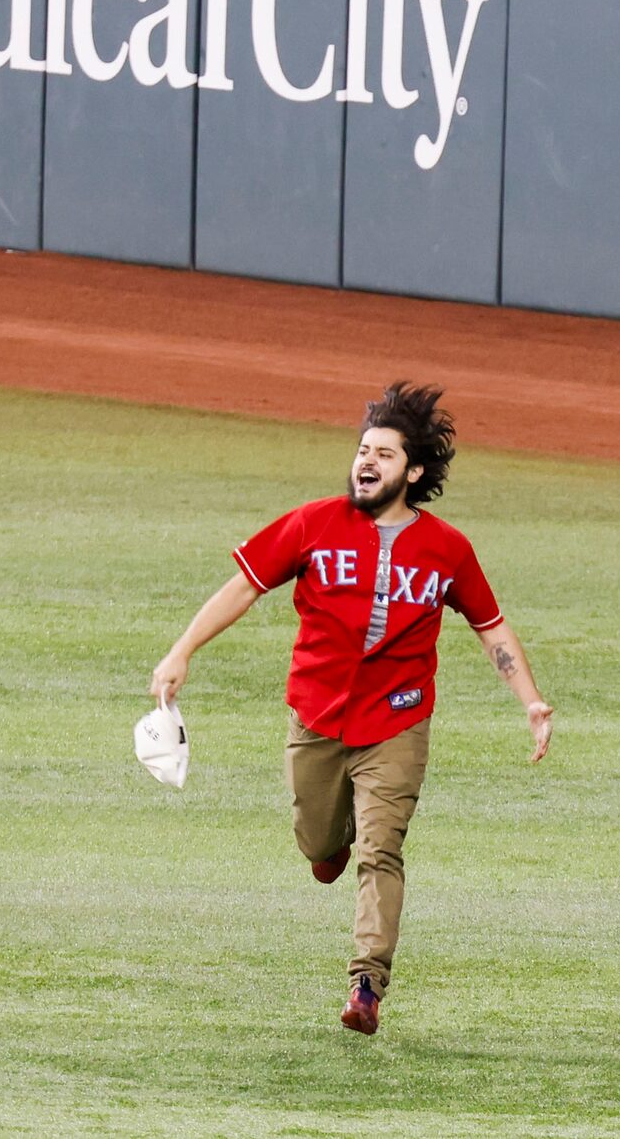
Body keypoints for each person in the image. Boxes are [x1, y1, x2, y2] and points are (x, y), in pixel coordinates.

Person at [150, 381, 553, 1035]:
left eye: (385, 454)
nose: (367, 461)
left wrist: (531, 701)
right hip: (316, 714)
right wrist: (182, 650)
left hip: (397, 720)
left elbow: (492, 628)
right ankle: (325, 844)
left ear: (413, 472)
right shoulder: (312, 523)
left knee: (381, 849)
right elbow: (243, 586)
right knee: (318, 841)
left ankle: (367, 981)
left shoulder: (448, 550)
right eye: (363, 450)